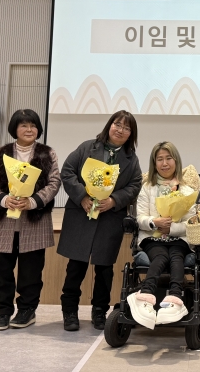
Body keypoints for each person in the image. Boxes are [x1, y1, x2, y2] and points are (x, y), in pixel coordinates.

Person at [58, 110, 143, 331]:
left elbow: (135, 185)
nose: (120, 130)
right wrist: (82, 197)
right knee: (76, 266)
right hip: (81, 214)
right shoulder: (87, 147)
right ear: (109, 125)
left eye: (126, 128)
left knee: (105, 268)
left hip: (110, 218)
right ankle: (70, 312)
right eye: (117, 124)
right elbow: (67, 172)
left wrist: (114, 200)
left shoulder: (132, 159)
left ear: (131, 134)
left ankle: (99, 311)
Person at [0, 109, 61, 331]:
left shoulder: (47, 153)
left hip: (34, 220)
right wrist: (4, 199)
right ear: (14, 129)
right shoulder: (2, 153)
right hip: (4, 220)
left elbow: (54, 183)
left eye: (33, 125)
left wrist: (33, 201)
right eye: (24, 125)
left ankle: (27, 310)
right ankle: (3, 312)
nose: (29, 130)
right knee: (1, 271)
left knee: (31, 272)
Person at [127, 141, 198, 329]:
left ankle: (175, 298)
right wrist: (155, 222)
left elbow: (191, 223)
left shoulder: (187, 191)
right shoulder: (147, 188)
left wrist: (171, 229)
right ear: (154, 163)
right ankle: (145, 296)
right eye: (160, 159)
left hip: (178, 239)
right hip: (152, 238)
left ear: (176, 161)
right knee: (161, 256)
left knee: (176, 256)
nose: (164, 163)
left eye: (168, 158)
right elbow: (139, 217)